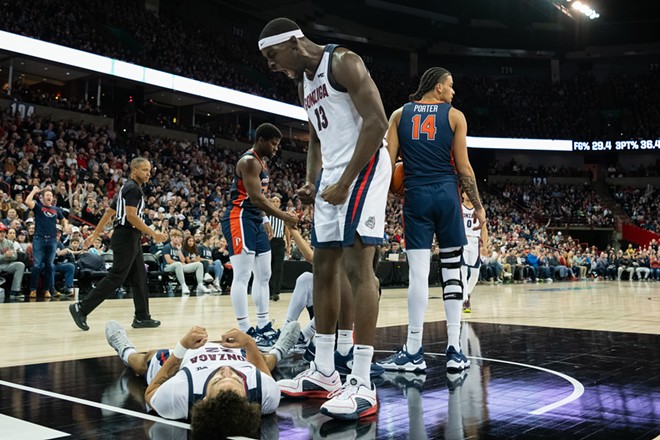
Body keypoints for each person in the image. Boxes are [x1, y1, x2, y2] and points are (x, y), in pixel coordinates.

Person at [260, 17, 390, 419]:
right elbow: (316, 136)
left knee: (357, 266)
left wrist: (345, 180)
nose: (271, 65)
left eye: (272, 56)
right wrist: (313, 181)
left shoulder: (343, 62)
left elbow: (378, 123)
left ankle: (363, 383)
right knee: (322, 267)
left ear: (294, 43)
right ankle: (325, 372)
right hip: (332, 172)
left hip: (364, 165)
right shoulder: (302, 84)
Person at [378, 67, 486, 373]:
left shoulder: (399, 115)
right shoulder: (455, 116)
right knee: (453, 272)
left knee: (418, 275)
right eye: (450, 86)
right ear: (438, 87)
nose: (453, 91)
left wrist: (390, 192)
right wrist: (477, 206)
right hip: (447, 195)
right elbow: (464, 168)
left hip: (416, 196)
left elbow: (387, 167)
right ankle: (454, 350)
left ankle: (413, 350)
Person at [104, 320, 301, 439]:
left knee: (144, 363)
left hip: (187, 360)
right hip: (235, 353)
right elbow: (263, 373)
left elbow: (150, 392)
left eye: (218, 380)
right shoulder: (266, 394)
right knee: (267, 361)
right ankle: (279, 350)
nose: (225, 370)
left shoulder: (179, 395)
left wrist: (182, 347)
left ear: (204, 399)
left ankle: (125, 349)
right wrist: (249, 343)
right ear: (248, 399)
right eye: (236, 378)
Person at [220, 123, 298, 350]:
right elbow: (255, 198)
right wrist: (283, 216)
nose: (276, 148)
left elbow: (259, 198)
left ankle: (263, 324)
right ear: (261, 139)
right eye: (273, 143)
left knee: (265, 274)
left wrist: (264, 220)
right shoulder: (249, 161)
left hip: (255, 218)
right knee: (243, 275)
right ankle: (244, 328)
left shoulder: (262, 163)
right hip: (240, 216)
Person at [69, 157, 168, 331]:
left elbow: (109, 212)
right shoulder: (133, 189)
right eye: (145, 170)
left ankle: (142, 317)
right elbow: (130, 216)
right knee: (116, 277)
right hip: (126, 236)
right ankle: (82, 308)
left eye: (149, 170)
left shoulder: (127, 187)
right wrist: (153, 233)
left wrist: (96, 232)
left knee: (139, 277)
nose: (148, 173)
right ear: (134, 170)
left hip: (129, 236)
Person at [25, 186, 67, 298]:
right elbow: (27, 201)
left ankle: (47, 290)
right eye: (47, 195)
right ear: (43, 198)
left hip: (52, 240)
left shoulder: (56, 209)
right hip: (39, 239)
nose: (49, 196)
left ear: (52, 198)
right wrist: (34, 191)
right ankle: (33, 289)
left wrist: (66, 226)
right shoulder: (38, 207)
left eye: (50, 195)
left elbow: (63, 219)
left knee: (49, 265)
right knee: (37, 265)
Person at [460, 191, 489, 313]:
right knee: (463, 271)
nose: (469, 194)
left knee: (475, 274)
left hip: (475, 242)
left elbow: (484, 229)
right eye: (466, 192)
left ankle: (467, 293)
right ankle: (465, 301)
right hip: (463, 240)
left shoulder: (480, 210)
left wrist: (485, 246)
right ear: (462, 195)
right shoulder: (459, 208)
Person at [162, 230, 210, 295]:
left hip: (179, 266)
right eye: (175, 237)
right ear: (171, 237)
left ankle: (200, 285)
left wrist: (179, 250)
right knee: (178, 264)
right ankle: (183, 285)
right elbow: (168, 261)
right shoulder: (167, 247)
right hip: (168, 266)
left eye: (178, 237)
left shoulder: (179, 247)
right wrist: (180, 263)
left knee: (199, 264)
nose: (177, 239)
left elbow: (182, 260)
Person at [267, 196, 290, 302]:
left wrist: (288, 245)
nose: (275, 203)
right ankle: (269, 291)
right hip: (269, 242)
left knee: (278, 267)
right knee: (269, 267)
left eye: (277, 201)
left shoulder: (283, 215)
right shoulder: (267, 214)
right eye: (273, 201)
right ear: (270, 203)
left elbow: (287, 230)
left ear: (280, 204)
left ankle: (276, 291)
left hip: (280, 241)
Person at [0, 222, 26, 299]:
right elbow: (6, 256)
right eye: (0, 232)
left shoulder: (9, 242)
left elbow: (15, 256)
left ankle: (15, 291)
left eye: (4, 232)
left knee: (20, 265)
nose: (2, 234)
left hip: (7, 264)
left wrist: (10, 256)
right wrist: (5, 256)